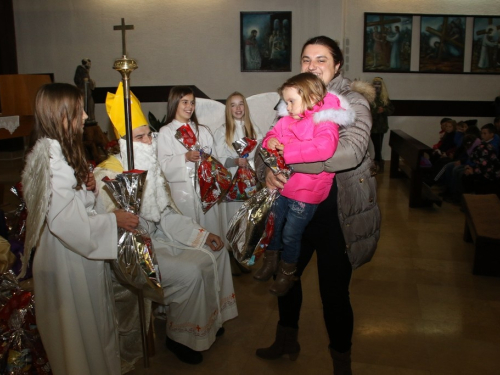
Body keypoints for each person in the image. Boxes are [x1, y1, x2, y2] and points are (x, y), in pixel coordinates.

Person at [255, 36, 380, 374]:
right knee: (287, 276)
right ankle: (286, 339)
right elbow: (267, 144)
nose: (312, 65)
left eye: (321, 59)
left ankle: (342, 360)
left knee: (334, 293)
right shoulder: (293, 97)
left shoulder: (351, 102)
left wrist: (287, 159)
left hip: (338, 214)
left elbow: (350, 152)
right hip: (295, 205)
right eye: (306, 59)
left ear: (337, 66)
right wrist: (267, 168)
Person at [94, 83, 237, 365]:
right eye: (141, 136)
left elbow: (166, 213)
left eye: (149, 134)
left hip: (162, 235)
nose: (149, 141)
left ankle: (209, 320)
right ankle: (180, 337)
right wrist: (117, 219)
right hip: (134, 251)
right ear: (123, 141)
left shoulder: (150, 167)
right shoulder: (106, 175)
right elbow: (101, 227)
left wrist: (202, 232)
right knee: (192, 271)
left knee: (215, 251)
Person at [20, 83, 139, 375]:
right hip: (68, 259)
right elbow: (65, 223)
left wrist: (89, 188)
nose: (86, 115)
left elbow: (70, 204)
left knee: (87, 330)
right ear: (61, 115)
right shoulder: (53, 161)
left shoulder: (55, 150)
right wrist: (113, 220)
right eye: (79, 110)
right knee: (79, 332)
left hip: (71, 253)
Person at [254, 72, 354, 297]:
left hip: (306, 192)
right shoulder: (288, 119)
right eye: (286, 101)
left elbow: (325, 148)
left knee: (291, 233)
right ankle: (271, 260)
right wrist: (270, 139)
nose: (287, 107)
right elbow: (272, 134)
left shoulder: (324, 121)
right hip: (284, 186)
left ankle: (287, 273)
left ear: (311, 98)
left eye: (291, 101)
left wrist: (287, 150)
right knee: (274, 222)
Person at [157, 86, 221, 238]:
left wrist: (208, 161)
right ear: (174, 103)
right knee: (190, 232)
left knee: (210, 228)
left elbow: (215, 159)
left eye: (192, 103)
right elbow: (163, 165)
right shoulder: (166, 132)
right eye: (184, 102)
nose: (189, 107)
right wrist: (184, 157)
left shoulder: (203, 130)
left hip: (206, 188)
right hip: (183, 190)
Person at [213, 92, 263, 275]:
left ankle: (245, 254)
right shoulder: (223, 130)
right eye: (233, 105)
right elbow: (218, 157)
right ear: (228, 109)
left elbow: (261, 150)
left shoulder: (253, 128)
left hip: (250, 183)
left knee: (248, 220)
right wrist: (235, 162)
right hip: (233, 184)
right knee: (232, 220)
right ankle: (233, 254)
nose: (238, 108)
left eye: (241, 104)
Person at [370, 77, 394, 172]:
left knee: (378, 145)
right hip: (372, 125)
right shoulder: (370, 97)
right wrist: (376, 110)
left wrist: (383, 110)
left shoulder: (384, 97)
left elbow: (391, 109)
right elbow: (367, 110)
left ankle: (378, 162)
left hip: (381, 126)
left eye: (379, 84)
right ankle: (378, 161)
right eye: (375, 84)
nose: (377, 86)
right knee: (376, 145)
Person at [74, 58, 96, 123]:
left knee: (91, 105)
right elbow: (77, 80)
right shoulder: (80, 69)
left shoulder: (86, 70)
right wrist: (84, 81)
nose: (89, 65)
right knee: (84, 104)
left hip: (88, 91)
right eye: (88, 63)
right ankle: (85, 119)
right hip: (83, 91)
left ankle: (91, 118)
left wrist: (90, 81)